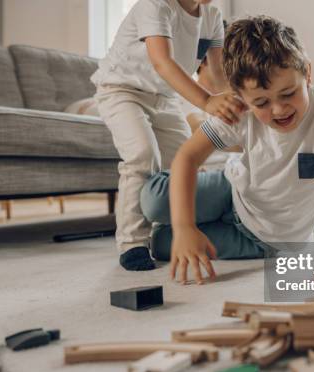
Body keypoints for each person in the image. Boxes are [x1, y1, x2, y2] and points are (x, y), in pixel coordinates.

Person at [140, 15, 314, 284]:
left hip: (266, 242)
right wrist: (184, 226)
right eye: (261, 102)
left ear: (307, 73)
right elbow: (188, 157)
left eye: (288, 93)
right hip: (232, 192)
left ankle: (182, 221)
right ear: (240, 97)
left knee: (161, 244)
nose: (279, 109)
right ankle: (182, 204)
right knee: (153, 201)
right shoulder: (240, 111)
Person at [92, 0, 245, 271]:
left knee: (183, 162)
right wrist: (207, 101)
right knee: (142, 154)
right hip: (122, 90)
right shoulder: (156, 5)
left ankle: (171, 230)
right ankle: (132, 243)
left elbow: (219, 74)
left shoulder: (211, 15)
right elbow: (162, 62)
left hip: (165, 98)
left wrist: (238, 102)